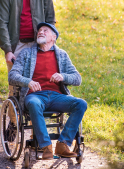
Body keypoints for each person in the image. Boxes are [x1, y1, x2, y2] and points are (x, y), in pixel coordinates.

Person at [8, 22, 87, 159]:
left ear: (54, 37)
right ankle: (46, 146)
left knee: (81, 104)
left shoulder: (62, 55)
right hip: (35, 96)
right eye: (39, 30)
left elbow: (77, 79)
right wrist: (29, 82)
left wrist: (63, 76)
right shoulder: (27, 53)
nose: (41, 32)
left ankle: (63, 144)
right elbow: (12, 75)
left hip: (57, 96)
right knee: (33, 103)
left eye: (45, 30)